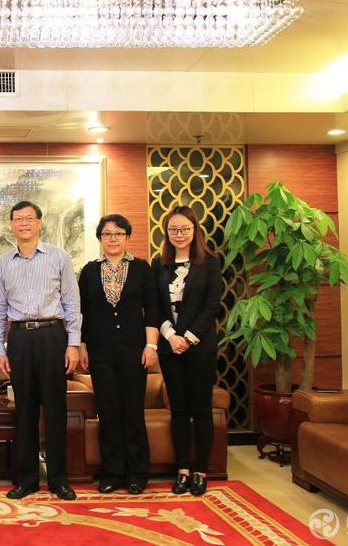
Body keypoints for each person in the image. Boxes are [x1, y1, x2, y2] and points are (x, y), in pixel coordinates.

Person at [0, 200, 81, 501]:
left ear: (39, 223)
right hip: (20, 339)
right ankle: (27, 480)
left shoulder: (59, 257)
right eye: (18, 219)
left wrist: (73, 344)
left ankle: (58, 480)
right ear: (11, 224)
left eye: (29, 218)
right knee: (25, 412)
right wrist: (0, 350)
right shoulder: (3, 263)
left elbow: (72, 304)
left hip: (53, 336)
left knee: (55, 410)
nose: (24, 223)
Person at [78, 214, 160, 495]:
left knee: (132, 412)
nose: (112, 239)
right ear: (100, 238)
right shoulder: (89, 271)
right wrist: (83, 346)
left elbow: (152, 310)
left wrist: (151, 346)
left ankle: (137, 473)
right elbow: (82, 313)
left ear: (127, 237)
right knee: (108, 412)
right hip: (100, 352)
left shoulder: (141, 268)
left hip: (134, 350)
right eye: (107, 234)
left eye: (118, 234)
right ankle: (112, 473)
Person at [152, 205, 221, 497]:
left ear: (195, 231)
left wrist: (188, 338)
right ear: (166, 232)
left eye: (185, 229)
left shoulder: (210, 263)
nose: (179, 234)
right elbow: (154, 306)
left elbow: (211, 306)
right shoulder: (159, 264)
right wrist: (170, 336)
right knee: (178, 411)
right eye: (173, 229)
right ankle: (182, 470)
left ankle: (200, 472)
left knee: (201, 410)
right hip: (170, 349)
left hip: (200, 348)